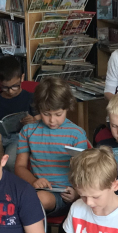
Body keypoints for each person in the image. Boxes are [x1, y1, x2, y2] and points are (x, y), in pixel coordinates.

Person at [14, 77, 87, 214]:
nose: (52, 120)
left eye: (58, 114)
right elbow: (19, 167)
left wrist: (77, 193)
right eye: (46, 114)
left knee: (35, 200)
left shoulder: (76, 134)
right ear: (38, 109)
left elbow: (86, 172)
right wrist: (34, 181)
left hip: (65, 194)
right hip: (36, 189)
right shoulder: (28, 131)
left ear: (67, 108)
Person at [0, 56, 36, 122]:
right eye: (5, 87)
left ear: (22, 77)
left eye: (15, 86)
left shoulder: (32, 99)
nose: (10, 91)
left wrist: (34, 121)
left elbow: (42, 124)